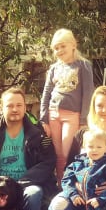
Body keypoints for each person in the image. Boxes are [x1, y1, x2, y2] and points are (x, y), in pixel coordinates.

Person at [39, 28, 94, 185]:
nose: (59, 50)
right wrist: (44, 120)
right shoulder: (54, 68)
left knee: (67, 151)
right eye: (56, 48)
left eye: (62, 46)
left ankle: (68, 184)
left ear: (73, 45)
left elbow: (88, 93)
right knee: (57, 153)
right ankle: (59, 184)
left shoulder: (83, 65)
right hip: (53, 114)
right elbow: (46, 93)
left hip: (72, 116)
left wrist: (84, 120)